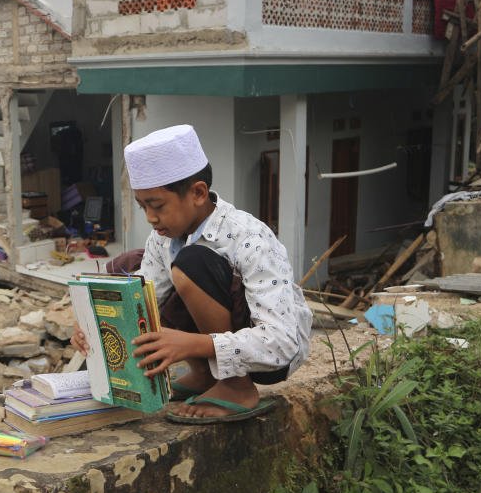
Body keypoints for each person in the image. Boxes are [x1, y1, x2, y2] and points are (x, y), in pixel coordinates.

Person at [72, 125, 313, 423]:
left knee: (191, 263)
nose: (150, 218)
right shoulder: (161, 239)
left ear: (198, 193)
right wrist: (95, 329)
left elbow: (282, 342)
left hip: (268, 360)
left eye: (157, 205)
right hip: (214, 346)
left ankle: (236, 386)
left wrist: (193, 344)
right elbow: (145, 304)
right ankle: (203, 375)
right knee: (136, 277)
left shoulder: (250, 237)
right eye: (142, 206)